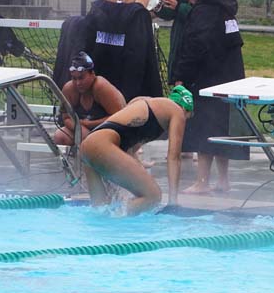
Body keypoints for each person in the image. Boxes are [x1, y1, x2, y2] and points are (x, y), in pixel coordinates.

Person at [161, 0, 248, 193]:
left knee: (205, 129)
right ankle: (223, 180)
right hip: (231, 77)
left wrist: (181, 76)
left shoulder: (203, 11)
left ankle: (202, 182)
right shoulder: (225, 7)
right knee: (223, 129)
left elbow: (194, 48)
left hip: (208, 79)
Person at [80, 87, 194, 215]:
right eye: (188, 117)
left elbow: (128, 144)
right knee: (153, 196)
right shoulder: (177, 111)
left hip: (88, 147)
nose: (184, 121)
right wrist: (173, 202)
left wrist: (137, 167)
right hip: (101, 146)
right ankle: (116, 228)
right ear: (185, 109)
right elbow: (174, 157)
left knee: (101, 210)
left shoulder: (142, 102)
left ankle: (107, 230)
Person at [55, 52, 126, 146]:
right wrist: (80, 129)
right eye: (74, 78)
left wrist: (89, 125)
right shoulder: (69, 89)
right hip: (84, 129)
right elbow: (66, 118)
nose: (78, 83)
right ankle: (77, 156)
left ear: (92, 74)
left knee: (92, 143)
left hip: (111, 129)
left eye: (81, 78)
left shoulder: (101, 87)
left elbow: (119, 119)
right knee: (60, 136)